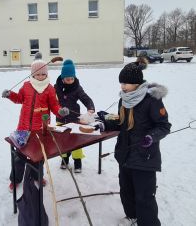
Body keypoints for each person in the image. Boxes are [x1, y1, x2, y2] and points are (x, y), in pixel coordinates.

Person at [99, 58, 171, 226]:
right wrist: (104, 124)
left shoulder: (151, 101)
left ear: (137, 83)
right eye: (121, 83)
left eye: (127, 83)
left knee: (144, 196)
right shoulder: (123, 100)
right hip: (125, 154)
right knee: (127, 191)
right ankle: (131, 217)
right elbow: (122, 123)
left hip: (144, 157)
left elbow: (164, 126)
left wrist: (151, 137)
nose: (123, 86)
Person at [2, 53, 69, 192]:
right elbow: (19, 98)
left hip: (41, 129)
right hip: (23, 128)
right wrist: (10, 95)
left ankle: (37, 176)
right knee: (19, 157)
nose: (40, 77)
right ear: (32, 74)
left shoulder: (50, 88)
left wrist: (60, 111)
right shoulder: (26, 86)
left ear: (46, 74)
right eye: (37, 74)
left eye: (43, 74)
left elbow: (55, 105)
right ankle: (15, 180)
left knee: (38, 157)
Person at [54, 59, 95, 173]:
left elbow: (85, 98)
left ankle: (77, 161)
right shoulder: (56, 87)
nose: (71, 81)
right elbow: (52, 101)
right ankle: (64, 159)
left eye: (72, 78)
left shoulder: (77, 87)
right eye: (68, 79)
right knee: (63, 141)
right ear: (63, 78)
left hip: (74, 119)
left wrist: (90, 108)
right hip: (61, 118)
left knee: (76, 141)